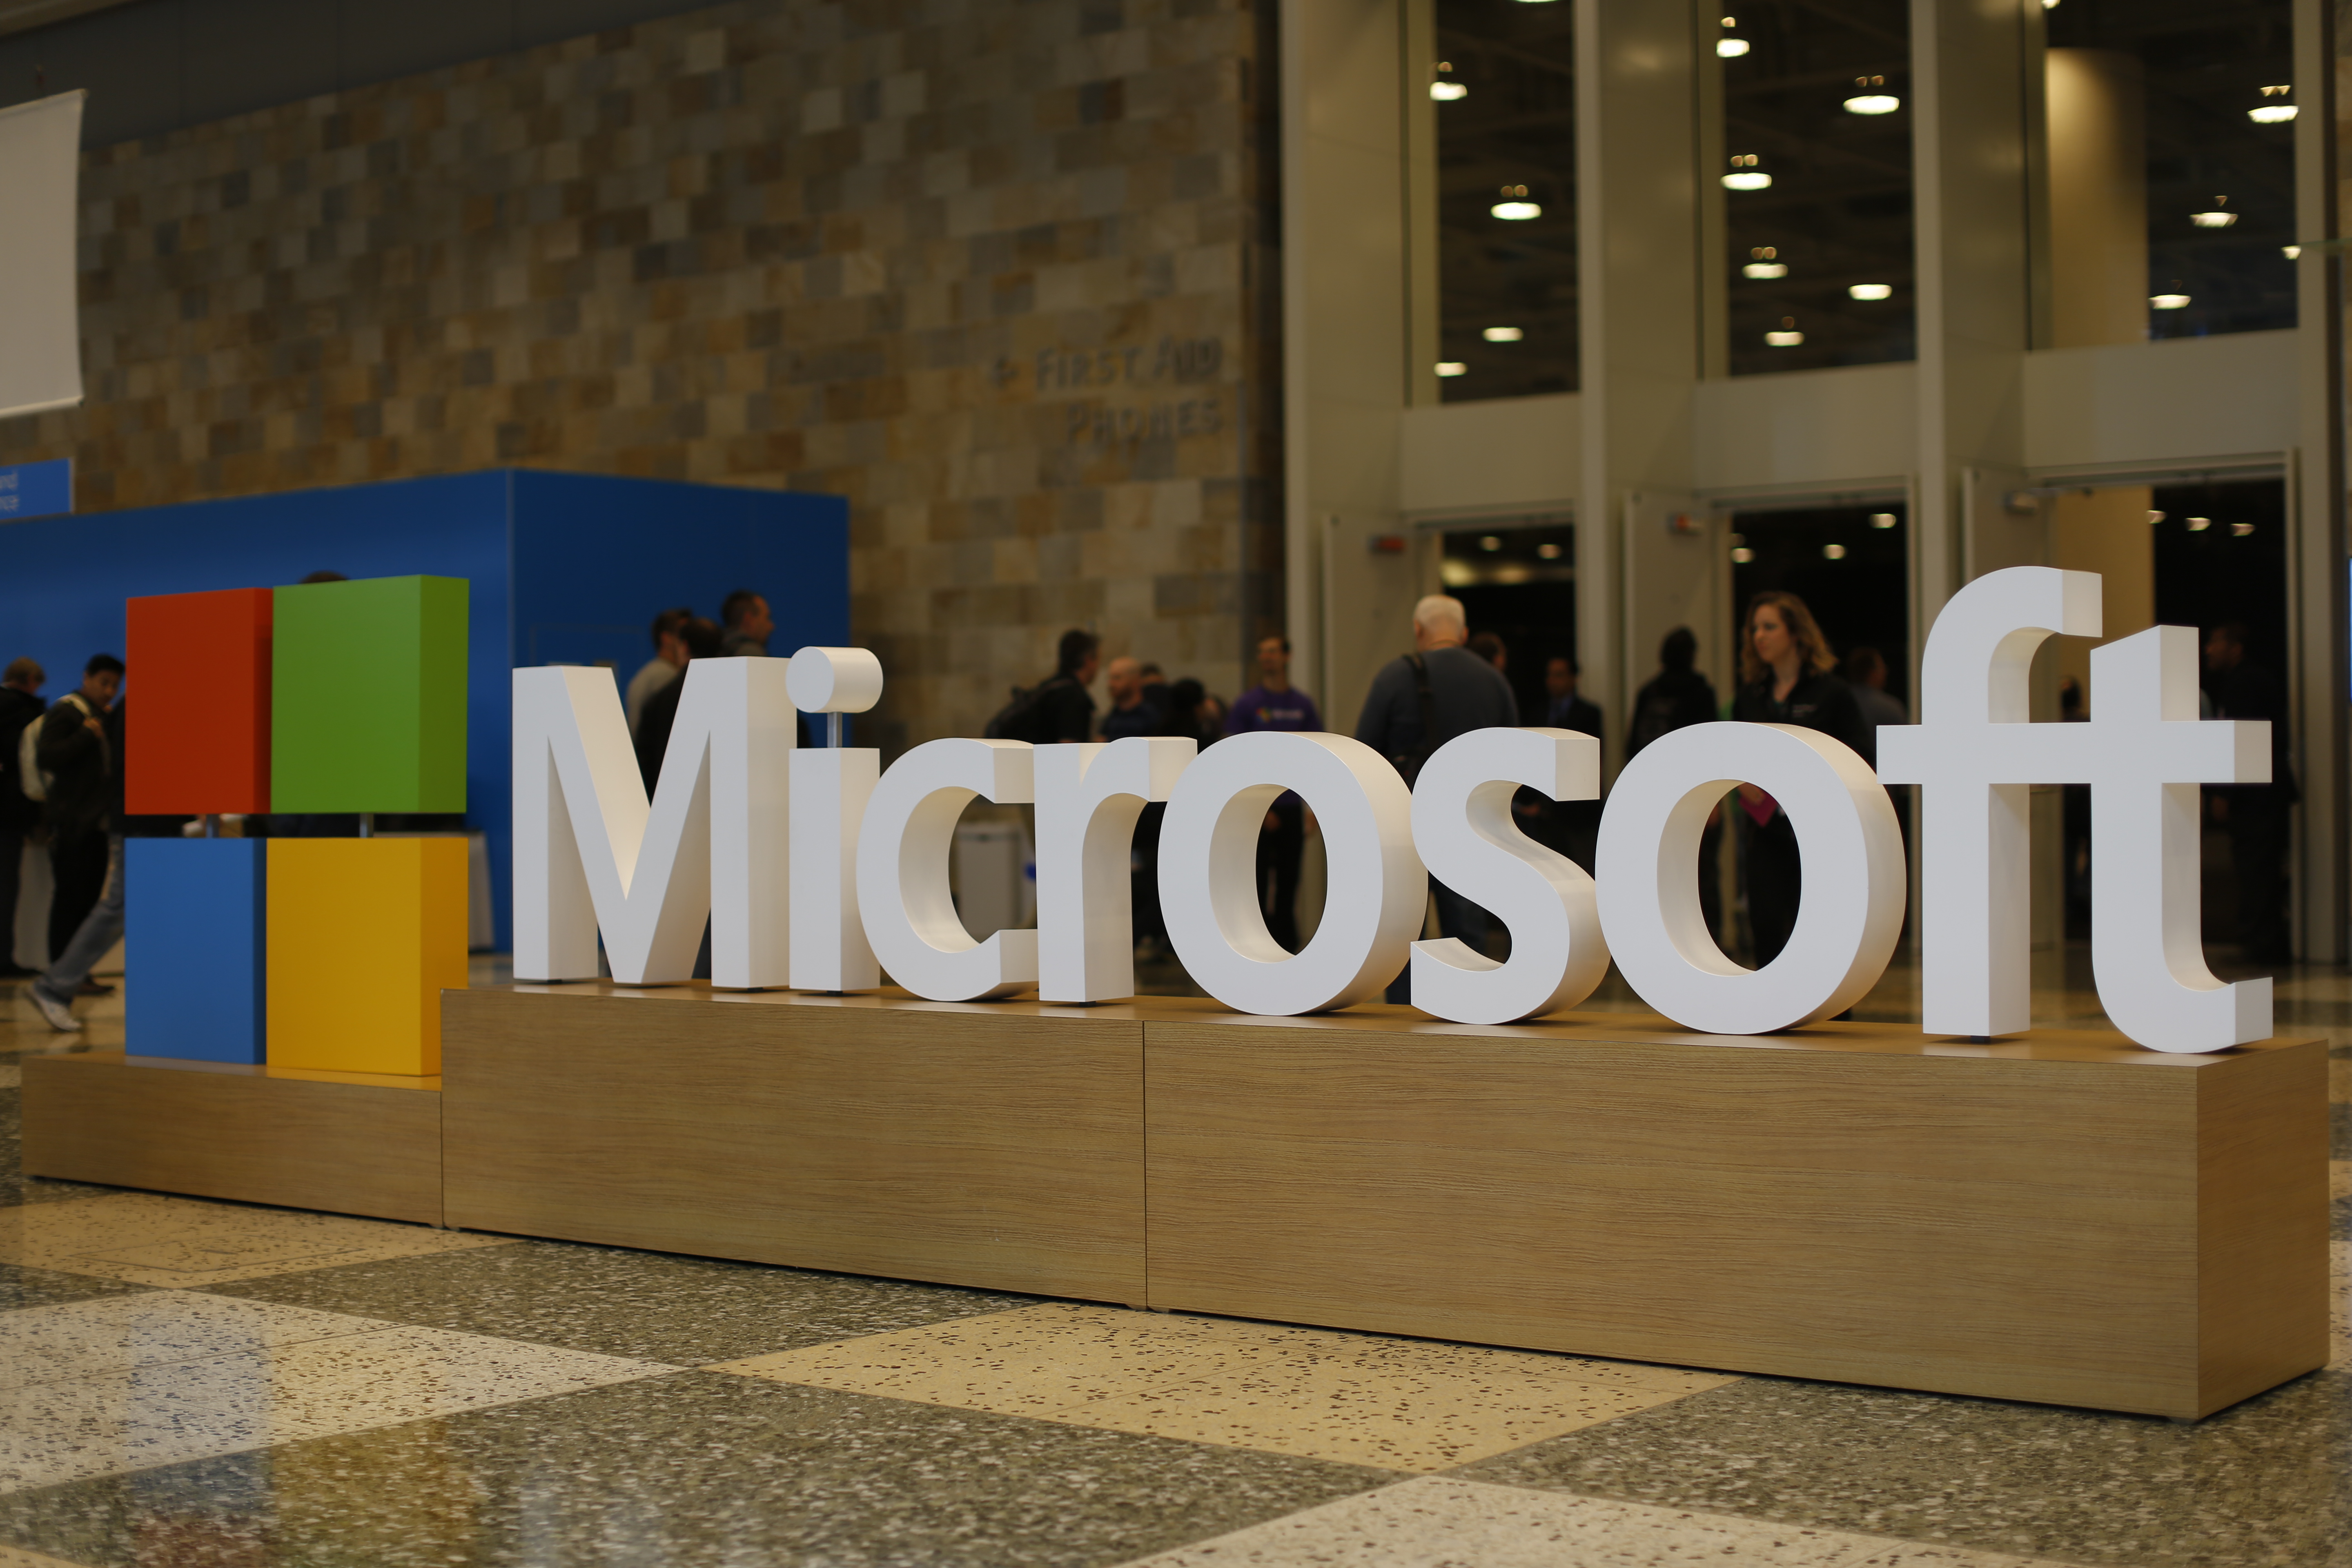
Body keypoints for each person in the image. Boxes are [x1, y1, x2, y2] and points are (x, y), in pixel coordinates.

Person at [1357, 595, 1519, 999]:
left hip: (1403, 822)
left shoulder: (1394, 677)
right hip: (1470, 822)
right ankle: (1467, 1006)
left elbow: (1365, 751)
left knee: (1401, 927)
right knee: (1466, 927)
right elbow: (1513, 758)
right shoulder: (1494, 681)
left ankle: (1401, 1015)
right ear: (1463, 633)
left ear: (1418, 630)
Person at [1731, 592, 1866, 968]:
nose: (1760, 636)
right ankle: (1771, 999)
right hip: (1765, 830)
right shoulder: (1749, 695)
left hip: (1819, 828)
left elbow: (1859, 754)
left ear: (1795, 633)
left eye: (1770, 627)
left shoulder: (1832, 692)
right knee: (1767, 922)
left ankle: (1825, 999)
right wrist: (1739, 780)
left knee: (1818, 925)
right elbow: (1734, 753)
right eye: (1755, 629)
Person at [2204, 621, 2294, 964]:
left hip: (2255, 797)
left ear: (2236, 648)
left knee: (2257, 872)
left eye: (2215, 642)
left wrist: (2224, 793)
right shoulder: (2248, 680)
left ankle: (2262, 945)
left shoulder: (2245, 684)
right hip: (2262, 795)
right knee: (2260, 871)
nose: (2208, 650)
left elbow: (2240, 744)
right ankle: (2263, 942)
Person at [1626, 628, 1723, 939]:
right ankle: (1709, 940)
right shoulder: (1701, 692)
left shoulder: (1649, 692)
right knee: (1702, 873)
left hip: (1653, 794)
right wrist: (1715, 800)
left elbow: (1633, 747)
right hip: (1694, 793)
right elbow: (1710, 747)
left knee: (1661, 873)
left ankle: (1662, 939)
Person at [1229, 635, 1324, 952]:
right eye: (1262, 652)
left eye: (1272, 652)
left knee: (1289, 880)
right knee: (1255, 880)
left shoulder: (1302, 705)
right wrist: (1258, 807)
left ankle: (1286, 946)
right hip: (1258, 807)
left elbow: (1316, 756)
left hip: (1290, 804)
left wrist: (1314, 806)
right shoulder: (1248, 704)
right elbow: (1235, 756)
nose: (1266, 657)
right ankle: (1256, 945)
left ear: (1286, 657)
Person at [34, 655, 123, 974]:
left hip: (96, 822)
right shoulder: (67, 711)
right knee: (70, 901)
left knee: (87, 901)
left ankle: (77, 974)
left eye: (115, 685)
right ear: (87, 678)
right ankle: (61, 972)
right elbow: (47, 756)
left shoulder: (104, 717)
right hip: (72, 822)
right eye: (104, 683)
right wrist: (85, 735)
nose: (109, 691)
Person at [1528, 654, 1603, 873]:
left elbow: (1592, 760)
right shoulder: (1538, 714)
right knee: (1549, 869)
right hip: (1546, 806)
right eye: (1550, 675)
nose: (1553, 681)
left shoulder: (1589, 713)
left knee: (1583, 867)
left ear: (1573, 678)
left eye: (1559, 675)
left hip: (1579, 807)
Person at [635, 618, 724, 790]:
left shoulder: (662, 699)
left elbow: (645, 760)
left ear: (684, 646)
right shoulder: (732, 695)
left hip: (667, 794)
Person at [0, 658, 45, 978]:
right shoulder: (22, 711)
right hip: (9, 815)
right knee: (6, 888)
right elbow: (29, 762)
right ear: (31, 680)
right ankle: (4, 958)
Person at [627, 608, 695, 736]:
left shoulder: (647, 673)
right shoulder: (666, 677)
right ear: (667, 638)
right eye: (683, 636)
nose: (688, 644)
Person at [1841, 646, 1907, 768]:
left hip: (1844, 772)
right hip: (1882, 776)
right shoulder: (1891, 708)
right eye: (1883, 668)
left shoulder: (1838, 702)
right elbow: (1902, 754)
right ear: (1874, 672)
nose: (1886, 672)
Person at [1098, 656, 1162, 743]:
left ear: (1135, 681)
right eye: (1110, 678)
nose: (1111, 684)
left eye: (1117, 678)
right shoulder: (1113, 714)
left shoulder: (1149, 716)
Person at [720, 590, 774, 658]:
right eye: (767, 618)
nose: (772, 626)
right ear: (749, 620)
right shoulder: (751, 652)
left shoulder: (714, 649)